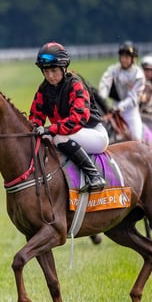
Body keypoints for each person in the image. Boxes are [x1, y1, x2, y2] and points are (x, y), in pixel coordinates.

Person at [30, 42, 109, 192]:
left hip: (94, 134)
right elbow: (36, 114)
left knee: (57, 137)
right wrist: (35, 129)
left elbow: (78, 118)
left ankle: (95, 176)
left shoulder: (75, 84)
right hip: (70, 134)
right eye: (45, 72)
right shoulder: (43, 89)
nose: (50, 76)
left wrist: (50, 129)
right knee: (45, 138)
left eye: (53, 70)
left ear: (63, 68)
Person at [97, 40, 146, 143]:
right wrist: (102, 100)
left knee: (137, 138)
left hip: (130, 112)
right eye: (122, 56)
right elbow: (105, 84)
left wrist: (120, 107)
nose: (124, 60)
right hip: (114, 109)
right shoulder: (113, 70)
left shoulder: (139, 75)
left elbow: (133, 98)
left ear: (133, 59)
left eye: (127, 57)